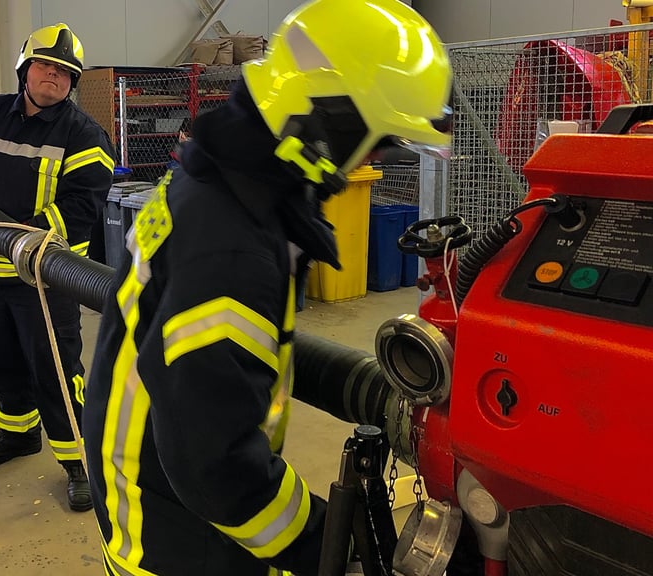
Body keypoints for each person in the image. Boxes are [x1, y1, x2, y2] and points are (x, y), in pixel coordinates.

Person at [81, 0, 453, 574]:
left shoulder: (219, 181)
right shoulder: (234, 247)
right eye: (377, 139)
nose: (375, 158)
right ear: (330, 121)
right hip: (177, 538)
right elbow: (215, 467)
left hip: (151, 489)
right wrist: (332, 546)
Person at [0, 23, 114, 512]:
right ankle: (17, 435)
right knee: (2, 359)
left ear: (73, 83)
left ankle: (80, 465)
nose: (53, 75)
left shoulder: (85, 135)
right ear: (25, 70)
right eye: (45, 65)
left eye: (64, 71)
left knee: (56, 371)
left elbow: (80, 208)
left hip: (44, 278)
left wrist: (19, 237)